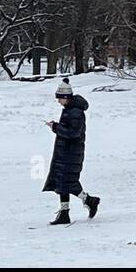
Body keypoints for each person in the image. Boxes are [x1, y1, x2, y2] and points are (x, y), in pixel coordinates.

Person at [43, 78, 101, 224]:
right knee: (61, 182)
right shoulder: (70, 110)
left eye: (59, 98)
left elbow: (73, 133)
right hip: (65, 152)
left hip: (71, 153)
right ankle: (64, 213)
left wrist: (55, 127)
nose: (58, 102)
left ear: (66, 97)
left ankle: (89, 200)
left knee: (68, 182)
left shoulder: (76, 112)